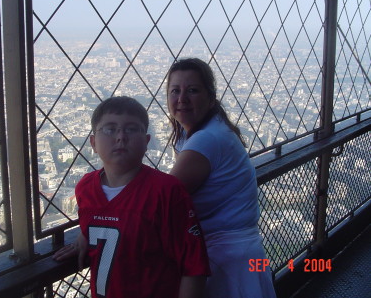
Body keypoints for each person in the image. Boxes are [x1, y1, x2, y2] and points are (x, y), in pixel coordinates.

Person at [54, 96, 210, 298]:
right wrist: (85, 235)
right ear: (93, 142)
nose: (120, 137)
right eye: (110, 129)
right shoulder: (85, 188)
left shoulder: (167, 191)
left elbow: (193, 265)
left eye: (131, 129)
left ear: (146, 142)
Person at [166, 58, 276, 298]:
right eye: (175, 90)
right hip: (240, 257)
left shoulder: (206, 140)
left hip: (225, 263)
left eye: (192, 90)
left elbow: (161, 200)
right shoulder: (214, 130)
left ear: (210, 97)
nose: (181, 98)